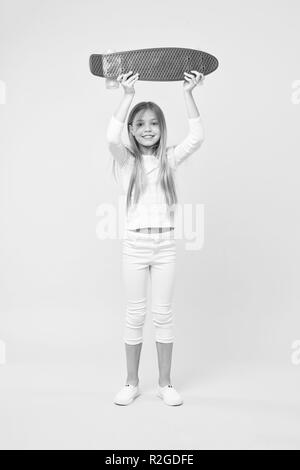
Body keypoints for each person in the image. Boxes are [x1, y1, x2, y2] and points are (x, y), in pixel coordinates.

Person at [106, 69, 205, 406]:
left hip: (164, 247)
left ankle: (165, 384)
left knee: (163, 315)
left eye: (154, 123)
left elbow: (197, 136)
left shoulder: (169, 160)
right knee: (135, 314)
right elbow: (109, 136)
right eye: (140, 124)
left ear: (162, 128)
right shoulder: (126, 162)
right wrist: (127, 96)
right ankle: (131, 383)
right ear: (132, 131)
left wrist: (188, 94)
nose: (148, 129)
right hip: (135, 246)